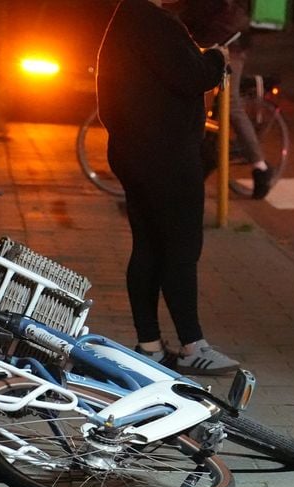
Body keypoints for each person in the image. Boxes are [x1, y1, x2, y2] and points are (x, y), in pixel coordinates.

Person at [96, 0, 241, 375]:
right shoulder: (151, 21)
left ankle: (150, 346)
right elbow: (189, 76)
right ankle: (193, 346)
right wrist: (217, 58)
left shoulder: (128, 17)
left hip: (134, 151)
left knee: (148, 246)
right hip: (166, 154)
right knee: (180, 247)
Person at [179, 0, 273, 200]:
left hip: (231, 45)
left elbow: (226, 17)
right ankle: (205, 160)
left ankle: (260, 166)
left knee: (230, 103)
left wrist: (196, 36)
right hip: (217, 43)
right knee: (213, 106)